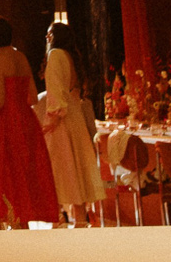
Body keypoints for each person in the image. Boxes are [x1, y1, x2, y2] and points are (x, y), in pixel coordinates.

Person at [0, 15, 58, 228]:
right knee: (25, 172)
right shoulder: (21, 57)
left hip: (4, 123)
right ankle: (23, 222)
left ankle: (13, 223)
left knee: (5, 174)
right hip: (25, 120)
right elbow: (32, 97)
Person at [38, 20, 105, 226]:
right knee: (76, 171)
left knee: (59, 171)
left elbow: (56, 89)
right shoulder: (71, 56)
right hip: (75, 118)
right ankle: (80, 220)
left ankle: (57, 219)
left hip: (63, 119)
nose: (47, 38)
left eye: (49, 34)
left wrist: (52, 117)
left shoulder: (55, 55)